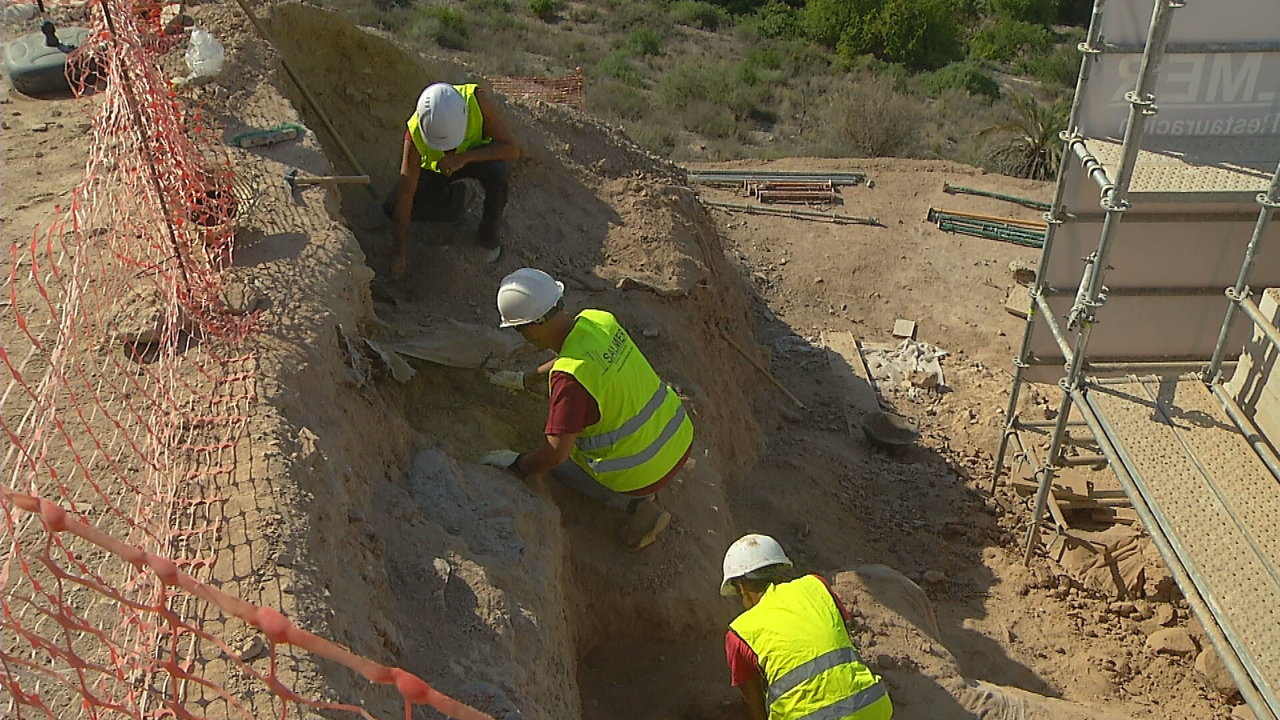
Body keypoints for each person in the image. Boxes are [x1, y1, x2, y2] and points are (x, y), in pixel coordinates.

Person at [480, 268, 694, 551]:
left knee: (563, 468)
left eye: (519, 329)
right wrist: (527, 378)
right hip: (678, 435)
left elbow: (555, 453)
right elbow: (576, 357)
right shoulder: (598, 320)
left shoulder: (570, 381)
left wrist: (517, 465)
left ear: (530, 327)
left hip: (645, 471)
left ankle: (637, 506)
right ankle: (644, 486)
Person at [721, 534, 893, 720]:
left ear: (741, 587)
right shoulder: (817, 586)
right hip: (872, 707)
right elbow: (840, 637)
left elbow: (756, 707)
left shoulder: (739, 634)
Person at [387, 82, 521, 278]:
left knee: (498, 172)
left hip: (476, 157)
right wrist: (399, 253)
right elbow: (405, 194)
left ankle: (488, 238)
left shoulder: (476, 102)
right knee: (392, 207)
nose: (447, 149)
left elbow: (512, 150)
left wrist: (464, 157)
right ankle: (456, 200)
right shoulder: (415, 132)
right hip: (440, 170)